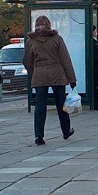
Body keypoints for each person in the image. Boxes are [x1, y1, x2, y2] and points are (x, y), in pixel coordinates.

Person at [23, 15, 77, 145]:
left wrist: (35, 71)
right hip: (57, 74)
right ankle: (66, 130)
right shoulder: (57, 39)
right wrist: (72, 78)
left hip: (40, 75)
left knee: (40, 106)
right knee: (61, 104)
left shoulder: (31, 41)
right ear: (49, 24)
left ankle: (39, 136)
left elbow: (27, 61)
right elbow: (66, 60)